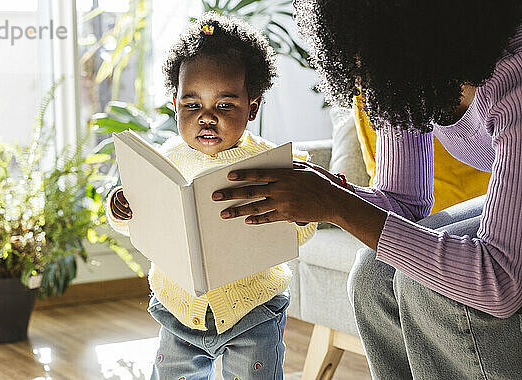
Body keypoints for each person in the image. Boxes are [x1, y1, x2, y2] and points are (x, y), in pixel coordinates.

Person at [211, 1, 522, 378]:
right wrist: (320, 189)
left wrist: (336, 204)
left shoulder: (511, 85)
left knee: (429, 288)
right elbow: (402, 203)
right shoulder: (405, 74)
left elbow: (499, 282)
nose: (358, 70)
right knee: (373, 273)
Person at [106, 12, 316, 380]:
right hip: (176, 307)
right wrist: (122, 207)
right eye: (192, 105)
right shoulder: (165, 160)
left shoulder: (274, 163)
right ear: (175, 104)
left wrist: (300, 216)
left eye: (224, 105)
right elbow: (137, 224)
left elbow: (300, 227)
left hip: (253, 309)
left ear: (252, 107)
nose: (206, 117)